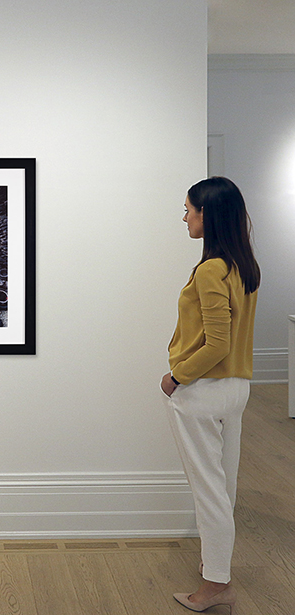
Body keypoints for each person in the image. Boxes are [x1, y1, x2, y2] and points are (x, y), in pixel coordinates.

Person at [161, 176, 260, 614]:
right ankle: (217, 572)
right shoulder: (243, 266)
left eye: (188, 209)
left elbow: (216, 343)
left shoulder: (209, 269)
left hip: (203, 391)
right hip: (236, 389)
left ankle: (215, 585)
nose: (184, 216)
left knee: (209, 492)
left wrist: (177, 376)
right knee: (225, 486)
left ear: (208, 214)